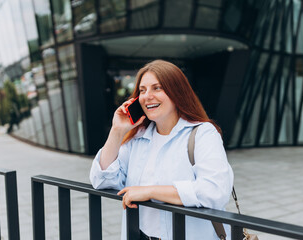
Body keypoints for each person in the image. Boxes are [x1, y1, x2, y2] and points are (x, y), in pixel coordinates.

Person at [90, 60, 234, 240]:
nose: (147, 96)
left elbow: (215, 191)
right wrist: (117, 131)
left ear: (177, 93)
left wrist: (150, 191)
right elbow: (101, 179)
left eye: (157, 88)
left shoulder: (203, 133)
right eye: (142, 90)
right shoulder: (138, 137)